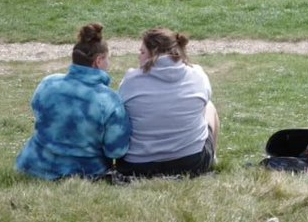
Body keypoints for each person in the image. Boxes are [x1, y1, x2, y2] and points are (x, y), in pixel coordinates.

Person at [16, 23, 131, 180]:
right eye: (108, 59)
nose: (108, 64)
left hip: (32, 167)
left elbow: (37, 112)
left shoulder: (48, 83)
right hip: (85, 174)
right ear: (99, 60)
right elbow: (116, 150)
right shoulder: (109, 100)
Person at [117, 28, 219, 178]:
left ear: (154, 53)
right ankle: (212, 158)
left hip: (138, 165)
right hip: (191, 162)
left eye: (142, 52)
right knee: (209, 106)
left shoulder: (131, 80)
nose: (139, 57)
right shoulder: (197, 74)